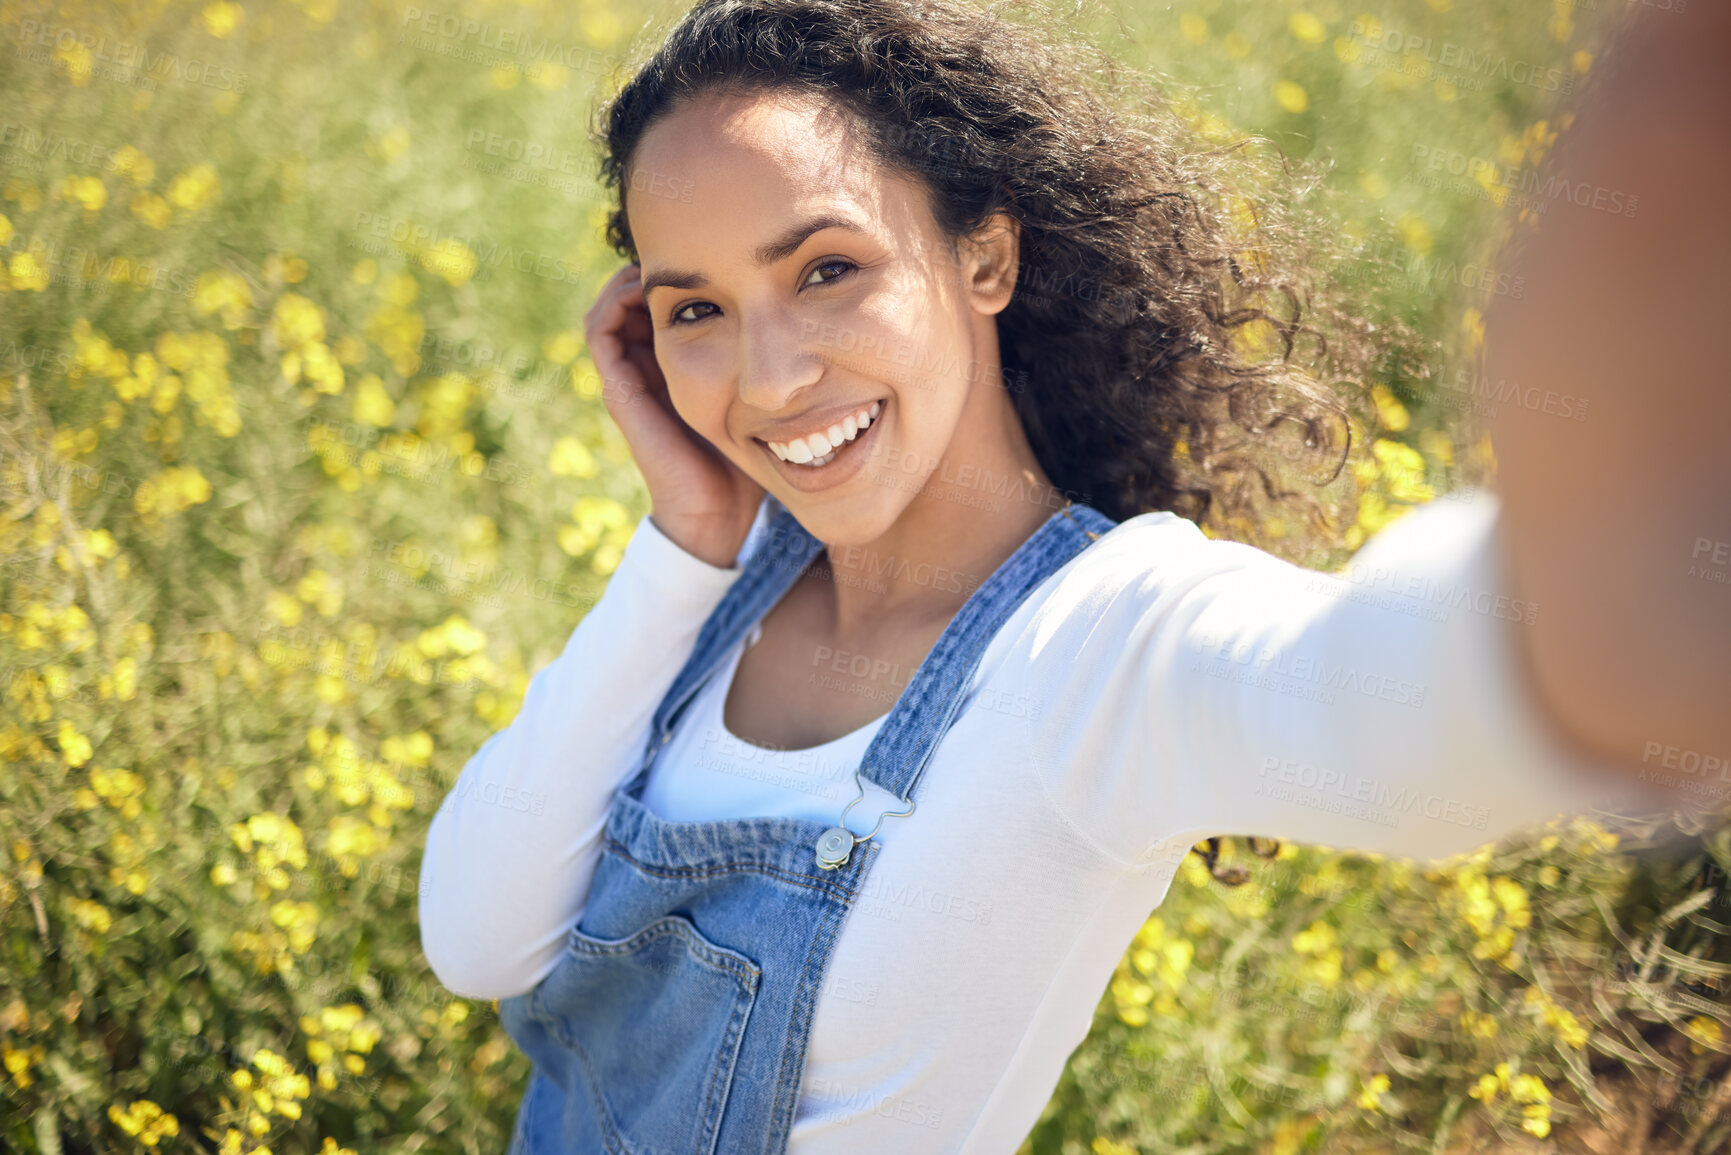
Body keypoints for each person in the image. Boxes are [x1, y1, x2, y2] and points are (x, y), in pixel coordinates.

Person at [416, 0, 1731, 1151]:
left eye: (827, 269)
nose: (766, 380)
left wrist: (1634, 542)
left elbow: (1383, 711)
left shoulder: (1109, 645)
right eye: (693, 307)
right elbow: (479, 941)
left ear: (983, 258)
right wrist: (680, 544)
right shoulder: (728, 583)